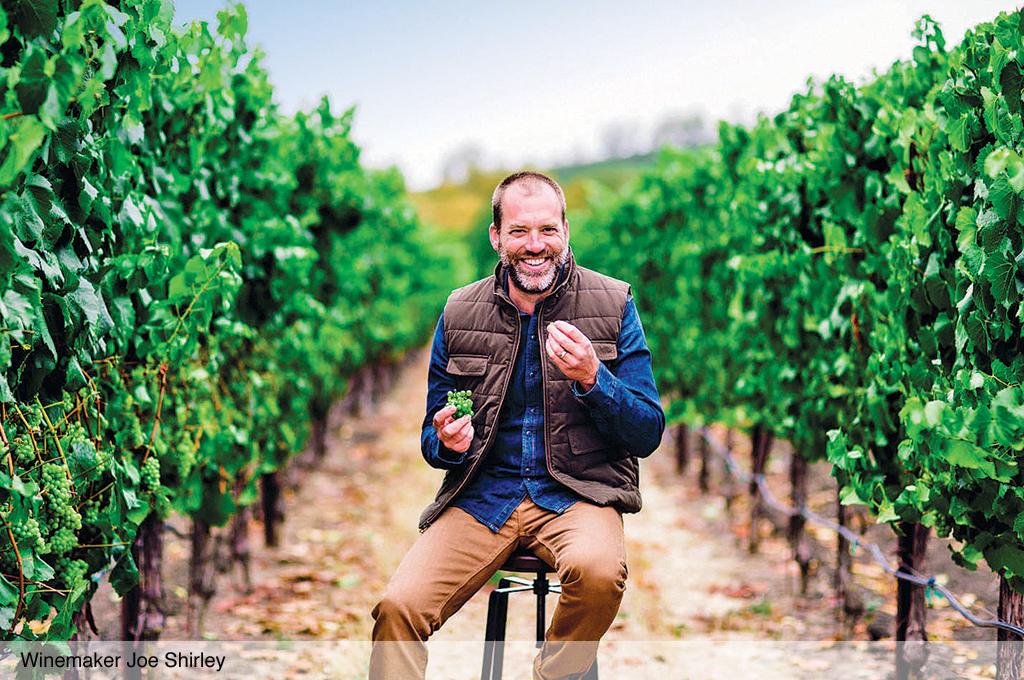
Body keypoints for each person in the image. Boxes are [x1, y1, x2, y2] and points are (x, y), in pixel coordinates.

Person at [369, 171, 665, 680]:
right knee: (397, 609)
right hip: (485, 497)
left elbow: (648, 431)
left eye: (548, 230)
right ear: (496, 236)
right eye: (520, 231)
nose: (535, 245)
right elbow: (430, 440)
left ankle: (552, 673)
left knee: (598, 575)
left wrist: (595, 379)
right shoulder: (460, 311)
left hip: (578, 493)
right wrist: (446, 441)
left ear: (566, 231)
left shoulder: (613, 303)